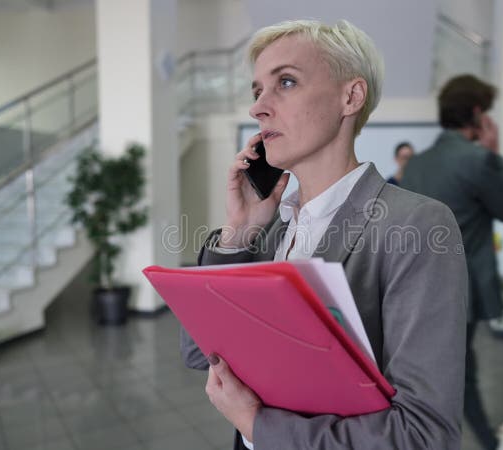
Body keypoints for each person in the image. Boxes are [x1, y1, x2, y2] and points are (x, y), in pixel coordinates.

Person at [180, 19, 468, 450]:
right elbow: (199, 354)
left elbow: (424, 437)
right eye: (257, 91)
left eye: (287, 82)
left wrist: (259, 427)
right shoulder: (271, 228)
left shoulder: (417, 225)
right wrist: (238, 233)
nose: (259, 108)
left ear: (350, 96)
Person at [401, 74, 503, 450]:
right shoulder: (479, 160)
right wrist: (495, 153)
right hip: (462, 289)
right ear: (476, 113)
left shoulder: (416, 165)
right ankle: (487, 442)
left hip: (415, 287)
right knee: (459, 371)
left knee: (431, 370)